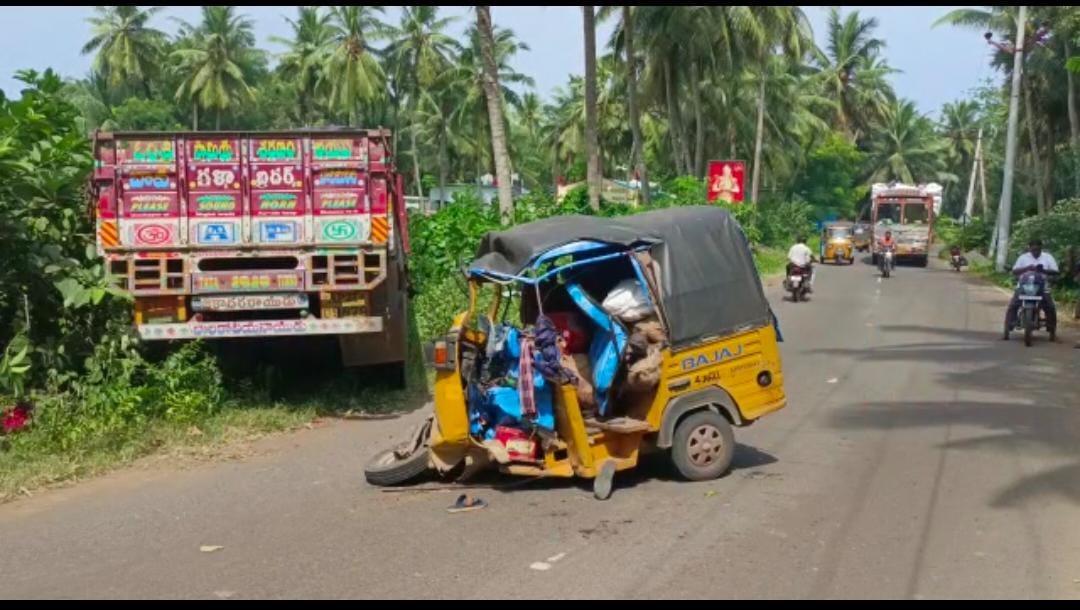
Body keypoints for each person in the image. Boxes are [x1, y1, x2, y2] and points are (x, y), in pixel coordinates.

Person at [1004, 238, 1059, 342]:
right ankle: (1007, 329)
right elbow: (1014, 270)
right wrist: (1026, 268)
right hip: (1024, 286)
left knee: (1050, 308)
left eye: (1037, 250)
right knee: (1013, 306)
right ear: (1029, 248)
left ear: (1041, 248)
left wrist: (1043, 270)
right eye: (1033, 250)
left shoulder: (1048, 257)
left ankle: (1052, 332)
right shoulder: (1023, 257)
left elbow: (1056, 271)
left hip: (1042, 287)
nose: (1035, 252)